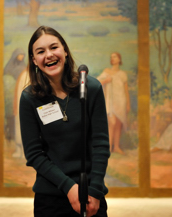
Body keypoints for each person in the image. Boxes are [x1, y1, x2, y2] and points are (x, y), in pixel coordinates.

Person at [19, 26, 110, 217]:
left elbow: (100, 144)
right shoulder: (29, 98)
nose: (49, 55)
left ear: (65, 51)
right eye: (41, 52)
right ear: (34, 60)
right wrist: (69, 187)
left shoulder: (91, 88)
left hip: (92, 194)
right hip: (51, 197)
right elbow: (34, 154)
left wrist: (94, 191)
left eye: (54, 47)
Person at [97, 52, 130, 154]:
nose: (112, 58)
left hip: (121, 100)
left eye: (114, 57)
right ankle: (109, 147)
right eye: (111, 57)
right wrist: (106, 80)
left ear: (119, 59)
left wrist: (128, 104)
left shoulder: (123, 74)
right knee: (112, 123)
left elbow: (126, 90)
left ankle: (116, 147)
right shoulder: (107, 71)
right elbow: (97, 82)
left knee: (118, 124)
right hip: (110, 101)